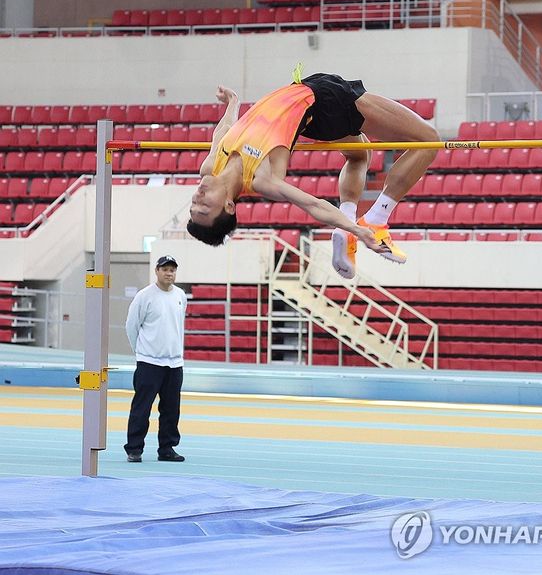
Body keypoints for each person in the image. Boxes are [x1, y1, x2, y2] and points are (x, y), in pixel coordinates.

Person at [187, 71, 440, 279]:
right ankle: (376, 218)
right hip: (325, 100)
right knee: (428, 139)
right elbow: (313, 205)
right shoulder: (261, 178)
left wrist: (233, 102)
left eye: (193, 205)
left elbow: (224, 130)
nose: (198, 196)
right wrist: (360, 231)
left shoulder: (210, 167)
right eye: (205, 206)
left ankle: (348, 223)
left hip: (311, 109)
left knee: (359, 155)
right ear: (230, 206)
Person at [123, 255, 188, 463]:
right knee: (142, 408)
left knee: (171, 409)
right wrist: (141, 353)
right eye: (165, 269)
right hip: (149, 362)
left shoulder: (180, 295)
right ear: (157, 271)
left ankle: (167, 448)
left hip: (174, 363)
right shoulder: (145, 296)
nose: (169, 273)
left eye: (172, 270)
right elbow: (131, 326)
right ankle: (134, 448)